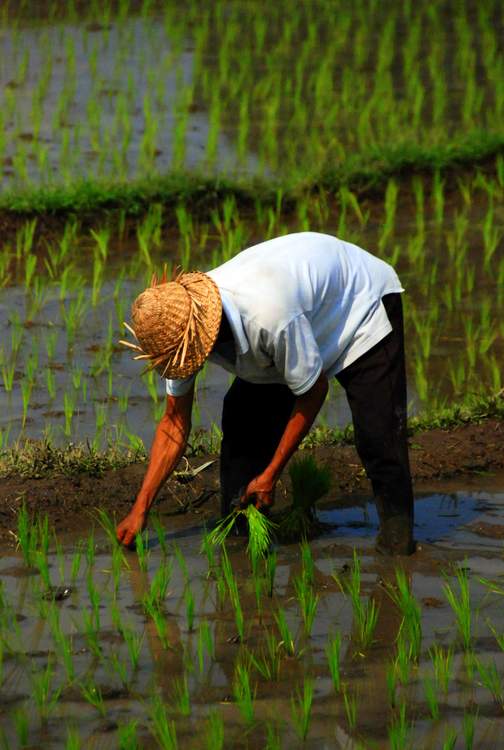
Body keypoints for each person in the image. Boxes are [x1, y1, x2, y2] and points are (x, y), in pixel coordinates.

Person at [116, 232, 415, 555]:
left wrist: (271, 474)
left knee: (377, 435)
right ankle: (240, 535)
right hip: (298, 311)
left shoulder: (269, 316)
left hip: (359, 303)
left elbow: (313, 393)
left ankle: (397, 544)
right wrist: (140, 508)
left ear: (204, 335)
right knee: (243, 422)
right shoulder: (176, 334)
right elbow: (174, 424)